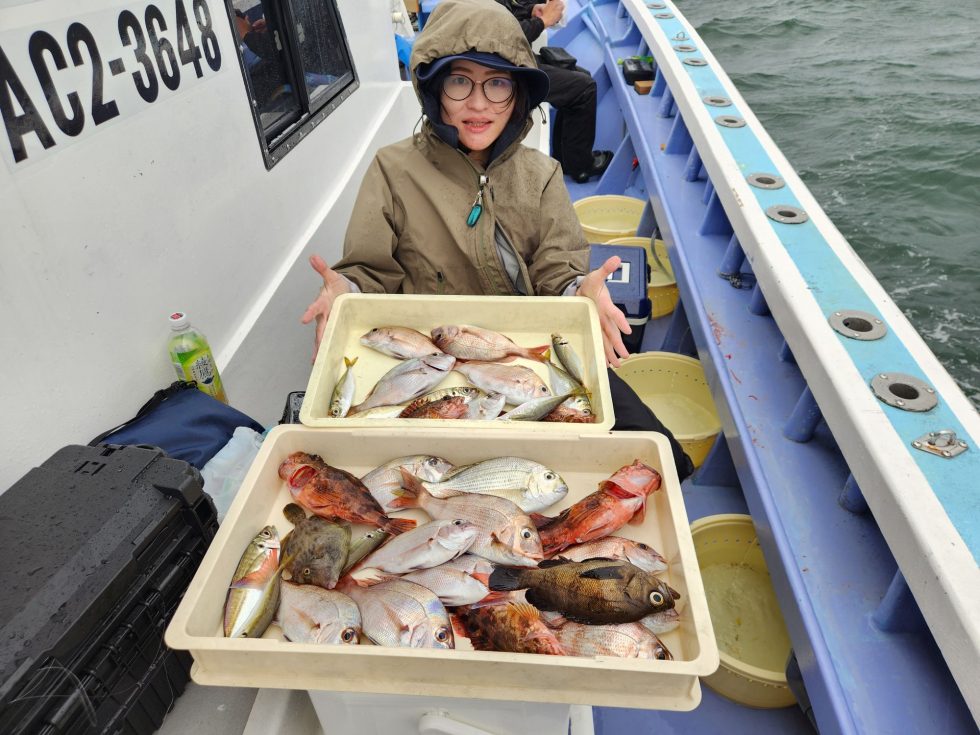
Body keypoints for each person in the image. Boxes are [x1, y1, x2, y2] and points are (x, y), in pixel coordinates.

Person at [300, 0, 694, 479]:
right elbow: (369, 271)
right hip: (434, 362)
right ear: (433, 90)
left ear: (519, 94)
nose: (479, 102)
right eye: (459, 80)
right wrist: (347, 290)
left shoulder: (542, 173)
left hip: (524, 354)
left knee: (665, 457)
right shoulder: (392, 168)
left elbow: (557, 270)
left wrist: (579, 290)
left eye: (498, 83)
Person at [495, 0, 613, 183]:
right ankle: (580, 166)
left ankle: (565, 157)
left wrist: (530, 10)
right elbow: (502, 39)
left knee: (581, 76)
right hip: (504, 71)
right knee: (584, 88)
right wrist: (543, 21)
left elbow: (504, 16)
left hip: (511, 60)